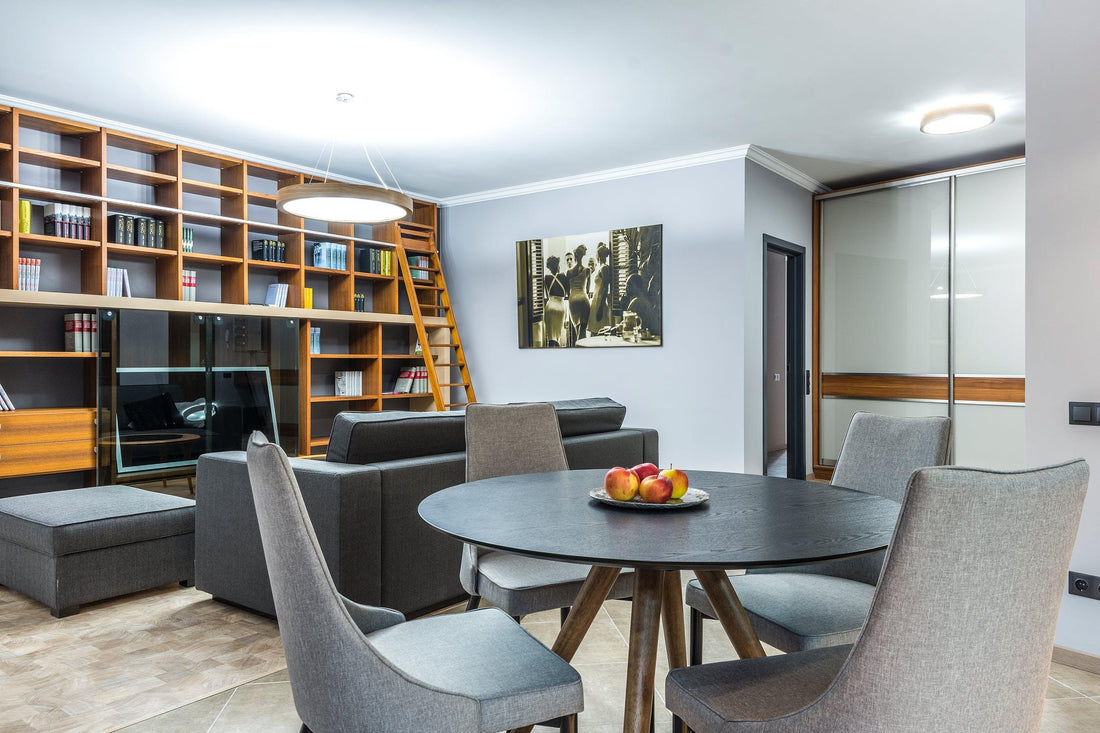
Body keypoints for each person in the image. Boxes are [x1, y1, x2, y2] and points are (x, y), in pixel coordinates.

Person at [565, 244, 591, 341]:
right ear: (583, 255)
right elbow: (587, 290)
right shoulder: (587, 270)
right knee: (583, 330)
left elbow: (568, 291)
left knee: (576, 331)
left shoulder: (569, 272)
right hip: (583, 299)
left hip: (573, 300)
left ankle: (578, 348)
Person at [541, 255, 567, 347]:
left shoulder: (546, 277)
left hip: (550, 306)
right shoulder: (563, 276)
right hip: (560, 307)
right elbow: (567, 292)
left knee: (551, 337)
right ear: (558, 265)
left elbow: (546, 294)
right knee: (558, 336)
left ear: (549, 267)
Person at [587, 243, 612, 334]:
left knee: (599, 331)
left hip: (600, 301)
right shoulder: (600, 267)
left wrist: (600, 308)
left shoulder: (604, 268)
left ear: (599, 255)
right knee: (594, 331)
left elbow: (605, 288)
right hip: (595, 301)